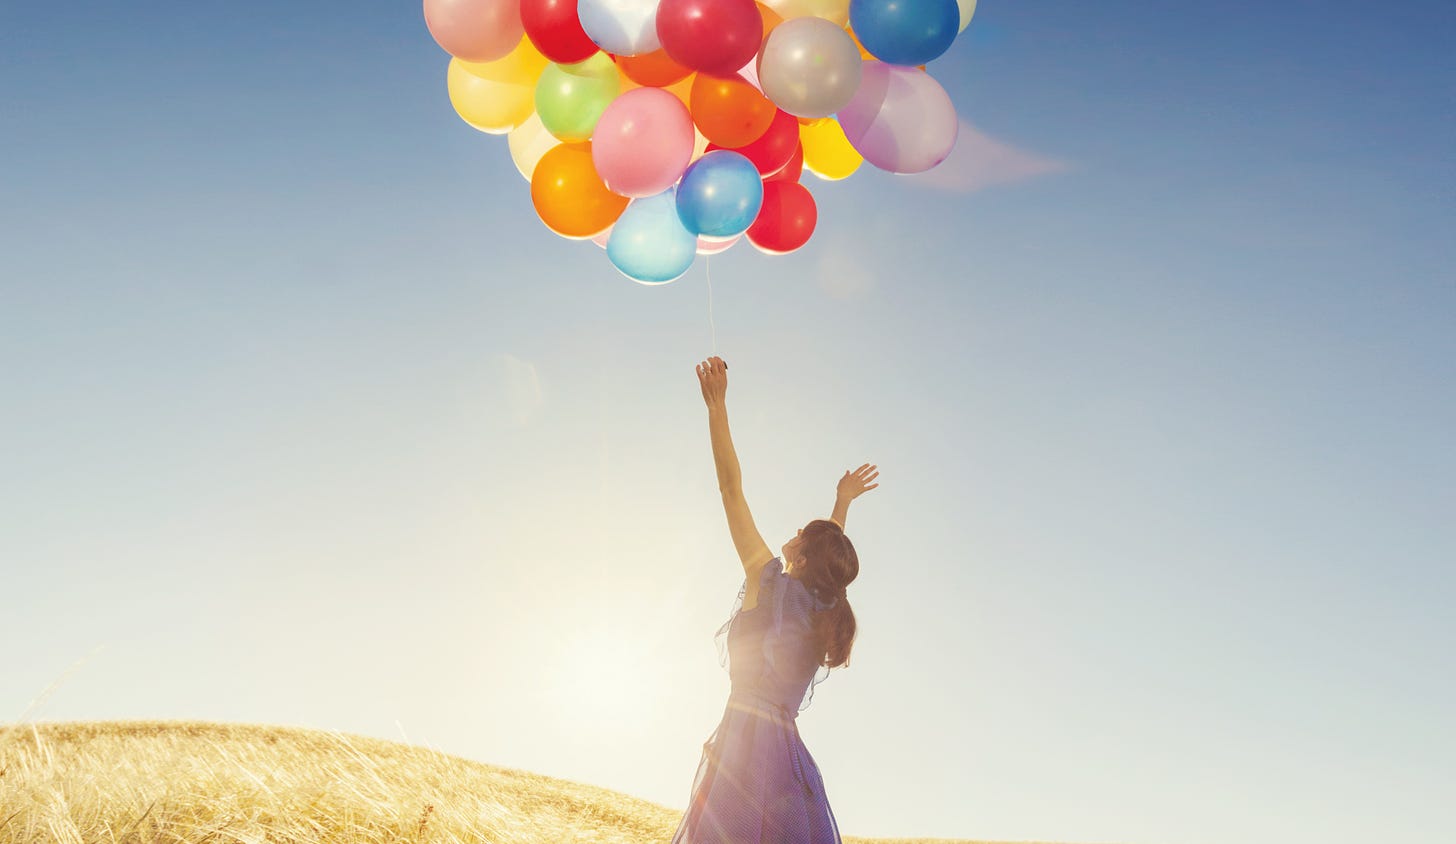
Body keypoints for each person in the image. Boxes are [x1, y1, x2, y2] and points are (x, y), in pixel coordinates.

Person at [671, 355, 879, 844]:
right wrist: (842, 503)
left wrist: (716, 409)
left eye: (801, 533)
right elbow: (830, 564)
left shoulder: (766, 580)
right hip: (788, 761)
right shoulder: (820, 606)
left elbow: (730, 490)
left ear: (802, 557)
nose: (794, 532)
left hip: (744, 751)